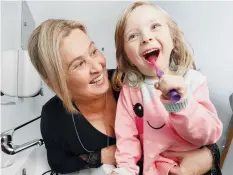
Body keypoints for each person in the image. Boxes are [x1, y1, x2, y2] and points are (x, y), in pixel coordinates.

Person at [27, 19, 221, 175]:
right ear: (54, 82)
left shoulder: (132, 82)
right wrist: (103, 156)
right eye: (79, 64)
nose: (97, 67)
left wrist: (210, 155)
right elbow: (58, 163)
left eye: (94, 51)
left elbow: (198, 127)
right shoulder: (53, 116)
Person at [111, 1, 223, 175]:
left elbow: (209, 135)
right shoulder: (131, 90)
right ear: (127, 55)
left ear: (173, 37)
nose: (146, 38)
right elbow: (126, 138)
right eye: (133, 36)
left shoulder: (193, 81)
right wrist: (124, 169)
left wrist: (183, 104)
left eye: (154, 26)